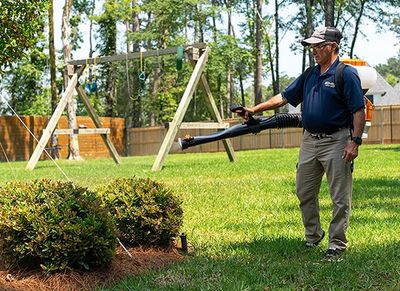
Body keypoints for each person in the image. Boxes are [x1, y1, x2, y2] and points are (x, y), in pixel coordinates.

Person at [238, 27, 365, 258]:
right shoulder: (310, 74)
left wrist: (354, 142)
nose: (313, 51)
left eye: (318, 46)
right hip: (309, 141)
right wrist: (254, 109)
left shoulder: (346, 74)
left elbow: (358, 110)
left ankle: (337, 244)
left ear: (332, 47)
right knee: (304, 191)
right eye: (312, 47)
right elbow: (285, 97)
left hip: (336, 141)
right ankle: (313, 235)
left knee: (339, 197)